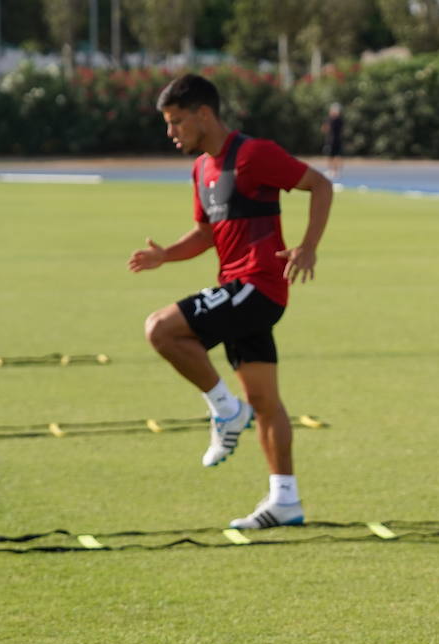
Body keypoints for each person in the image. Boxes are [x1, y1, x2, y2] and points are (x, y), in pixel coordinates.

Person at [127, 73, 334, 529]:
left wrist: (308, 244)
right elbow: (205, 234)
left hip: (258, 286)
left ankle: (224, 409)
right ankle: (286, 500)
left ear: (204, 114)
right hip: (237, 289)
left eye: (177, 121)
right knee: (265, 402)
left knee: (160, 329)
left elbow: (320, 185)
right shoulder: (201, 169)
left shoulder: (255, 154)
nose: (171, 132)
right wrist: (166, 255)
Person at [321, 102, 344, 180]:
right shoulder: (330, 119)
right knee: (330, 156)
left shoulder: (337, 120)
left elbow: (327, 128)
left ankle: (335, 170)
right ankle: (331, 170)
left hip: (335, 140)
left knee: (335, 156)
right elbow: (324, 129)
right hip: (330, 140)